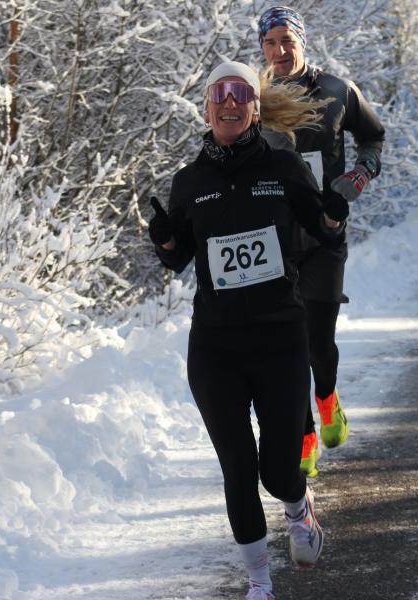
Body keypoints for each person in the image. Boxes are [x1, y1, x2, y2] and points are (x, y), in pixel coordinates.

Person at [148, 61, 344, 600]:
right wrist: (165, 240)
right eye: (219, 95)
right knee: (237, 467)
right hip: (215, 344)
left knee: (279, 473)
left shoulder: (282, 169)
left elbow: (322, 233)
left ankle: (298, 509)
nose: (229, 103)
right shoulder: (190, 181)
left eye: (240, 93)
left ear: (255, 106)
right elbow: (180, 256)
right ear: (207, 108)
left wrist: (332, 217)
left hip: (280, 337)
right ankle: (259, 582)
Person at [256, 5, 385, 478]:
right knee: (287, 344)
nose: (280, 50)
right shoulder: (253, 98)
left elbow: (374, 137)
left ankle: (327, 396)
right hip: (272, 237)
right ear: (262, 49)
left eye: (287, 41)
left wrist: (361, 173)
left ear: (302, 42)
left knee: (317, 340)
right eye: (270, 43)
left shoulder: (336, 91)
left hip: (326, 232)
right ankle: (305, 435)